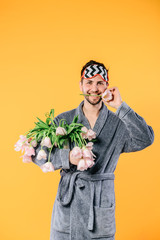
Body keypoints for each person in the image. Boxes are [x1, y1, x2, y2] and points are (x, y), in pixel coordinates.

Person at [32, 60, 154, 240]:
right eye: (89, 82)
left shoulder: (119, 123)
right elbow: (38, 154)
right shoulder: (63, 120)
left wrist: (121, 106)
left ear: (106, 86)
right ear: (81, 85)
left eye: (100, 83)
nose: (94, 88)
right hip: (68, 210)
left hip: (99, 209)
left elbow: (145, 138)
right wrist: (67, 159)